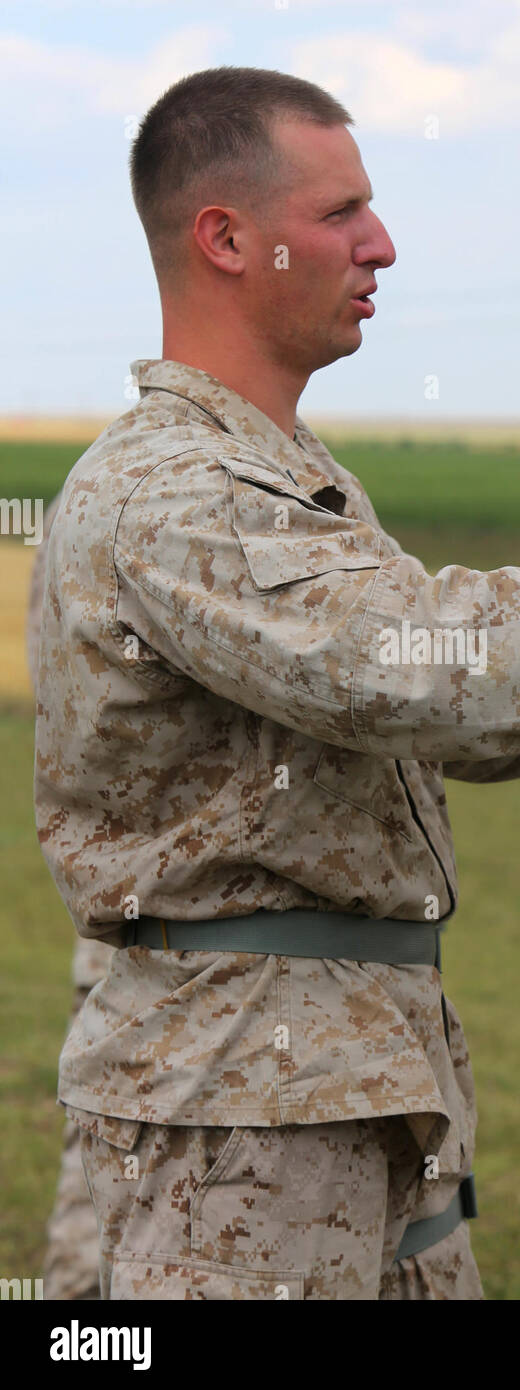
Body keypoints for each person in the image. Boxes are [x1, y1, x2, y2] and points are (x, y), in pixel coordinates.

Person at [32, 64, 520, 1301]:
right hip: (244, 1122)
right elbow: (411, 669)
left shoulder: (285, 476)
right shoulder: (173, 490)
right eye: (340, 213)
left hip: (345, 1097)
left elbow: (457, 724)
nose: (380, 244)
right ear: (225, 237)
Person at [27, 495, 111, 1301]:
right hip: (139, 939)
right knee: (100, 1171)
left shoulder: (79, 504)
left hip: (118, 918)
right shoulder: (123, 498)